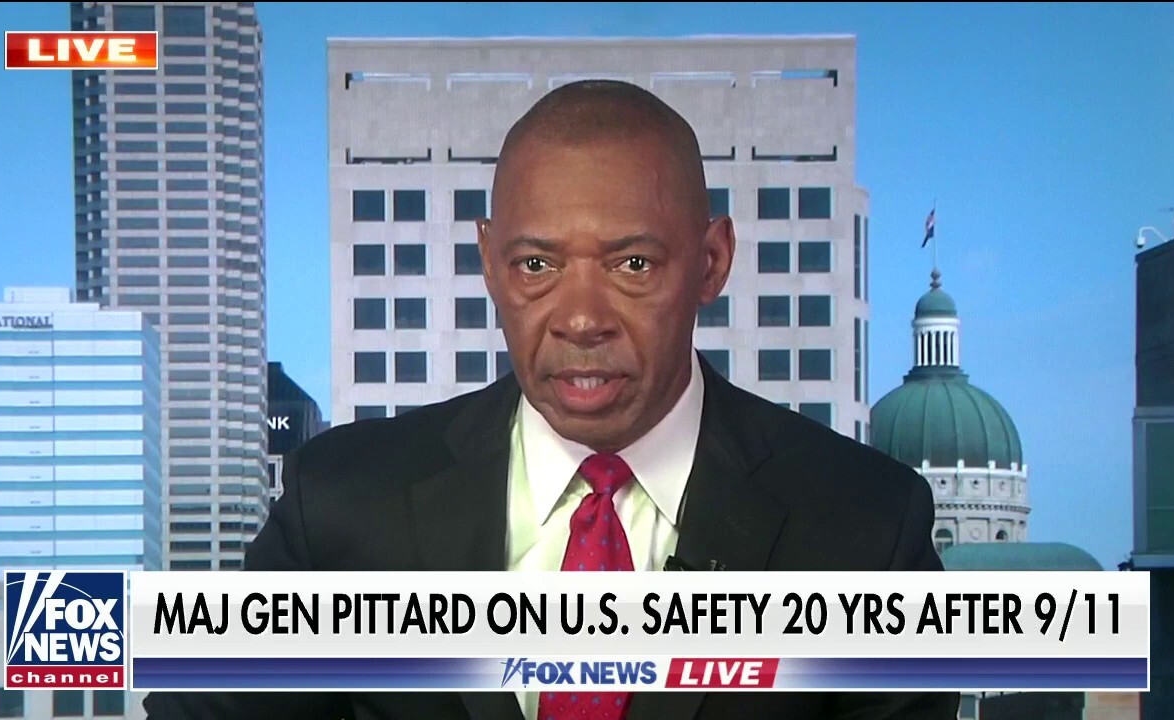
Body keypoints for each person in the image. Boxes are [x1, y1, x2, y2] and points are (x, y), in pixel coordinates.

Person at [145, 80, 957, 720]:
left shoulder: (865, 528)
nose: (580, 319)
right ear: (489, 263)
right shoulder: (339, 506)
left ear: (712, 262)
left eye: (632, 265)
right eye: (536, 266)